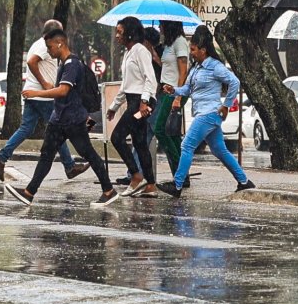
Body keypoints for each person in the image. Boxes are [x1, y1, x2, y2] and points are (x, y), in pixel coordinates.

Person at [1, 28, 120, 208]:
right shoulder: (64, 64)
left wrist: (36, 93)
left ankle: (109, 190)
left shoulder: (72, 64)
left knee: (88, 153)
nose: (48, 51)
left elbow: (63, 90)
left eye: (50, 47)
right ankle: (29, 192)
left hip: (72, 120)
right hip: (59, 119)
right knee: (46, 155)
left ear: (59, 43)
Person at [156, 27, 256, 196]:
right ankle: (244, 181)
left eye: (194, 50)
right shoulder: (196, 68)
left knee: (186, 145)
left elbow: (234, 82)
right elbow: (188, 89)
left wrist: (226, 105)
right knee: (219, 150)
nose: (191, 53)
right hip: (205, 113)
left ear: (203, 50)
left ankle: (177, 185)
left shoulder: (214, 66)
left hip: (209, 113)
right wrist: (173, 90)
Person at [0, 20, 86, 183]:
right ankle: (69, 166)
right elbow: (31, 61)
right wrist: (44, 84)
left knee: (26, 128)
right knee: (59, 128)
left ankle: (1, 158)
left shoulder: (39, 44)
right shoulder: (44, 46)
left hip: (34, 94)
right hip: (42, 95)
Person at [109, 16, 158, 197]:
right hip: (132, 99)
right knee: (139, 143)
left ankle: (136, 175)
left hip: (139, 102)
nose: (117, 36)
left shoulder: (140, 50)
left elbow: (150, 79)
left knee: (117, 138)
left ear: (130, 33)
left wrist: (144, 102)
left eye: (120, 32)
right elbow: (126, 84)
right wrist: (114, 106)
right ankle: (151, 184)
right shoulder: (128, 52)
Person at [151, 20, 190, 178]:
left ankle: (180, 169)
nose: (160, 28)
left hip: (174, 91)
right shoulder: (169, 44)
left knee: (160, 129)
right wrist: (157, 59)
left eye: (162, 25)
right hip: (166, 89)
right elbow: (168, 67)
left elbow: (183, 72)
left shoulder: (180, 42)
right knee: (172, 134)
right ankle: (181, 176)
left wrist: (178, 97)